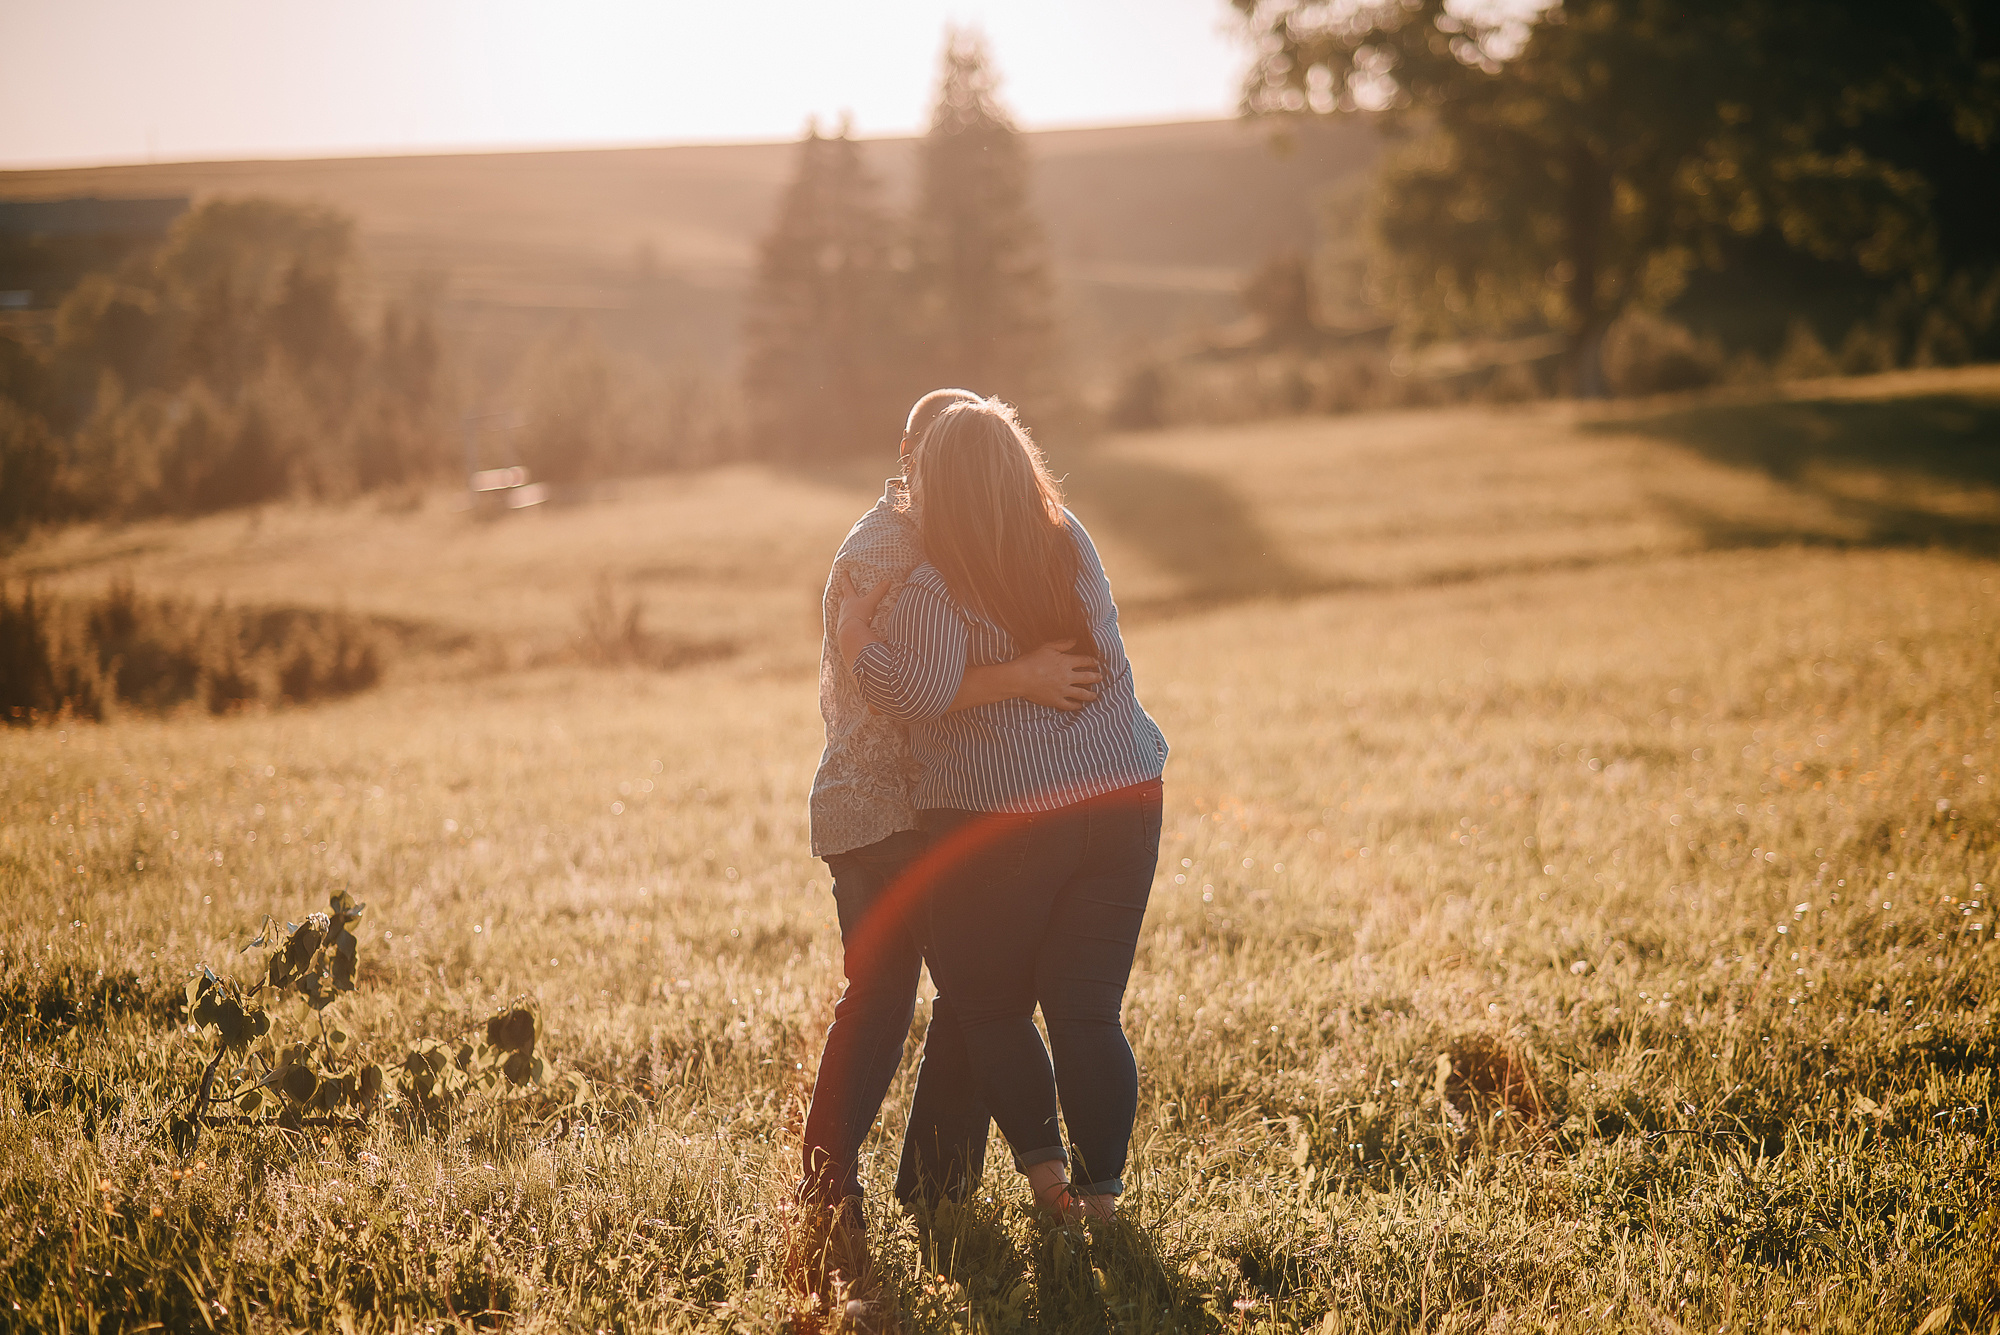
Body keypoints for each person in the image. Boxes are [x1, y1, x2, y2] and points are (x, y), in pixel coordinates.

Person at [837, 397, 1167, 1224]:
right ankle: (1101, 1200)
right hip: (1124, 793)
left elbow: (915, 692)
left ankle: (1047, 1178)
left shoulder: (936, 577)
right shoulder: (1071, 538)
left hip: (1012, 816)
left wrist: (857, 644)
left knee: (987, 1004)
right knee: (1089, 1008)